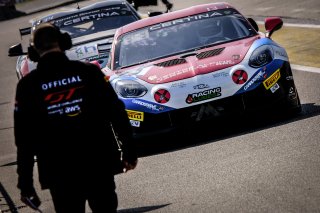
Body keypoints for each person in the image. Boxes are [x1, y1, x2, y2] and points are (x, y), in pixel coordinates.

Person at [14, 22, 138, 213]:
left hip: (59, 173)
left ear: (33, 51)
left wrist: (25, 184)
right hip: (98, 164)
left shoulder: (27, 86)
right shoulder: (89, 72)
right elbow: (116, 112)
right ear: (64, 42)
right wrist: (129, 151)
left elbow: (24, 140)